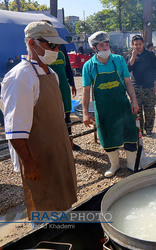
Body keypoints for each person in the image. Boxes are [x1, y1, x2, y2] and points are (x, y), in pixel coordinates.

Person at [1, 21, 77, 220]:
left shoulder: (51, 73)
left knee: (63, 203)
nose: (56, 50)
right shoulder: (21, 77)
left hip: (57, 151)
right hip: (39, 158)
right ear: (33, 43)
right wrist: (29, 163)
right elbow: (15, 129)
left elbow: (56, 113)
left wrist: (65, 136)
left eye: (58, 45)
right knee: (45, 211)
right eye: (51, 45)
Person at [82, 31, 139, 177]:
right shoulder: (88, 66)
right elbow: (86, 91)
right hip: (104, 109)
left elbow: (127, 82)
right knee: (108, 137)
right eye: (101, 45)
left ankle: (132, 166)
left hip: (122, 106)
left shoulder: (118, 60)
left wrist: (134, 101)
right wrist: (85, 113)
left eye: (107, 44)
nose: (105, 47)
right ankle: (115, 165)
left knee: (130, 135)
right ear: (94, 48)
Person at [42, 20, 81, 151]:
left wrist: (72, 83)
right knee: (52, 116)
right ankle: (56, 145)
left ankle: (69, 142)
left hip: (63, 85)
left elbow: (68, 67)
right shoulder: (40, 46)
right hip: (49, 86)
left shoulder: (60, 45)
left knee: (67, 116)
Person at [127, 35, 156, 136]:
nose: (138, 46)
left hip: (149, 86)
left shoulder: (150, 54)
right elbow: (127, 69)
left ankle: (149, 129)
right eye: (136, 44)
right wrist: (133, 56)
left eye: (140, 44)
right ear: (132, 45)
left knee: (149, 109)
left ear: (143, 44)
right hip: (135, 87)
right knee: (137, 111)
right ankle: (139, 130)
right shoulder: (130, 55)